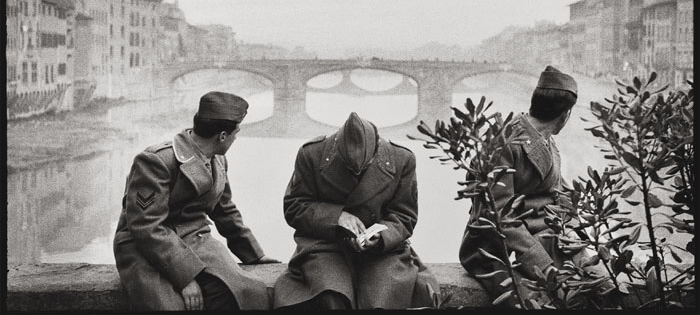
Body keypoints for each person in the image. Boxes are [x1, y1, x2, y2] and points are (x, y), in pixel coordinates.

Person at [113, 91, 279, 311]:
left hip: (194, 238)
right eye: (235, 133)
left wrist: (254, 255)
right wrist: (186, 277)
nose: (235, 139)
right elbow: (146, 226)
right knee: (169, 307)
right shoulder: (156, 161)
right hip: (144, 245)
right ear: (222, 136)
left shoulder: (218, 159)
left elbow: (224, 210)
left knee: (247, 293)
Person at [273, 112, 441, 310]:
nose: (356, 173)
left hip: (382, 252)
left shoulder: (402, 159)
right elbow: (294, 206)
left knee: (380, 301)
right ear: (336, 150)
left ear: (376, 153)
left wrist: (381, 236)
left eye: (364, 168)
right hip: (327, 245)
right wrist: (336, 217)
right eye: (348, 168)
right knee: (332, 298)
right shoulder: (311, 154)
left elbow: (405, 216)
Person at [459, 66, 586, 305]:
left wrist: (573, 229)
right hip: (495, 248)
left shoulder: (545, 140)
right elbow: (500, 217)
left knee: (594, 284)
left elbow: (561, 192)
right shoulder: (504, 142)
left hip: (540, 235)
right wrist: (545, 266)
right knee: (536, 303)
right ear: (565, 115)